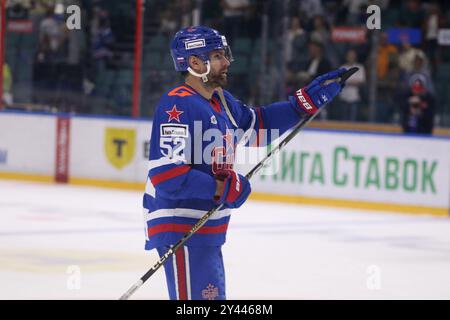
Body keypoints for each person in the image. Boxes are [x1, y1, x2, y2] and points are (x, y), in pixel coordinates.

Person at [143, 26, 348, 300]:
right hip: (182, 228)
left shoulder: (221, 101)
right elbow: (167, 175)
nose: (226, 61)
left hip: (206, 231)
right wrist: (221, 188)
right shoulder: (176, 106)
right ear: (194, 62)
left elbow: (259, 125)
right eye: (217, 55)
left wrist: (304, 102)